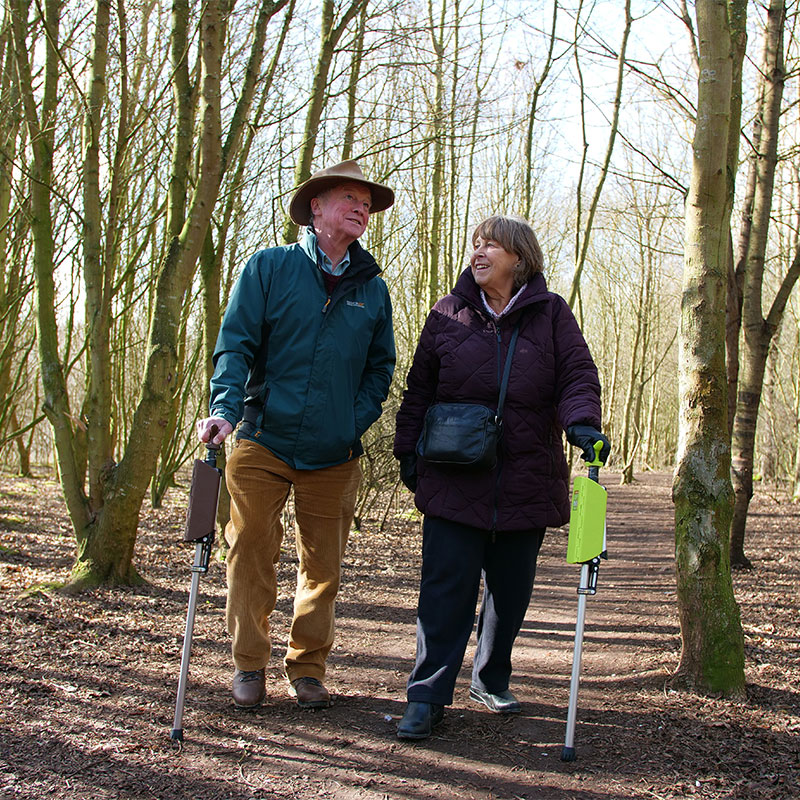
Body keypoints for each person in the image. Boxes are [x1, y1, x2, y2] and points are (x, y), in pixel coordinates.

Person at [392, 215, 609, 740]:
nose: (478, 250)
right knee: (445, 590)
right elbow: (418, 390)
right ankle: (426, 693)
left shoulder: (552, 314)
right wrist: (408, 453)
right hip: (452, 474)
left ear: (520, 257)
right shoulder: (447, 313)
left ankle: (490, 677)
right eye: (475, 242)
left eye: (491, 244)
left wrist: (582, 423)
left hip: (527, 474)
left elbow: (577, 374)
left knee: (510, 592)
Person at [197, 160, 396, 710]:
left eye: (366, 203)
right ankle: (249, 665)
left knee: (323, 567)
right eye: (349, 198)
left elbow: (382, 367)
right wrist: (224, 409)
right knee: (250, 552)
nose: (360, 208)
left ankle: (308, 669)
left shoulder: (373, 290)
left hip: (334, 452)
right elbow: (234, 345)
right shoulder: (269, 267)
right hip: (262, 439)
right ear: (316, 207)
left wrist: (352, 420)